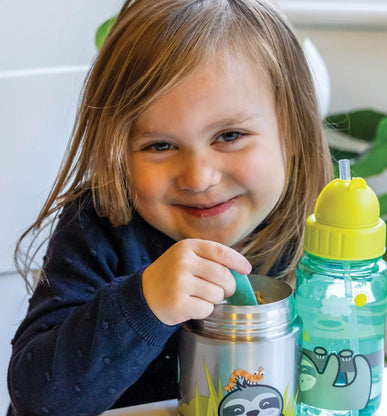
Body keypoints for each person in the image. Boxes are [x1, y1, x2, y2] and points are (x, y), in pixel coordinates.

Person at [7, 0, 333, 414]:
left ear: (291, 127)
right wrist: (143, 303)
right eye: (160, 145)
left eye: (230, 135)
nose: (198, 178)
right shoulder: (101, 227)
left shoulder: (317, 237)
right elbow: (38, 400)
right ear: (118, 150)